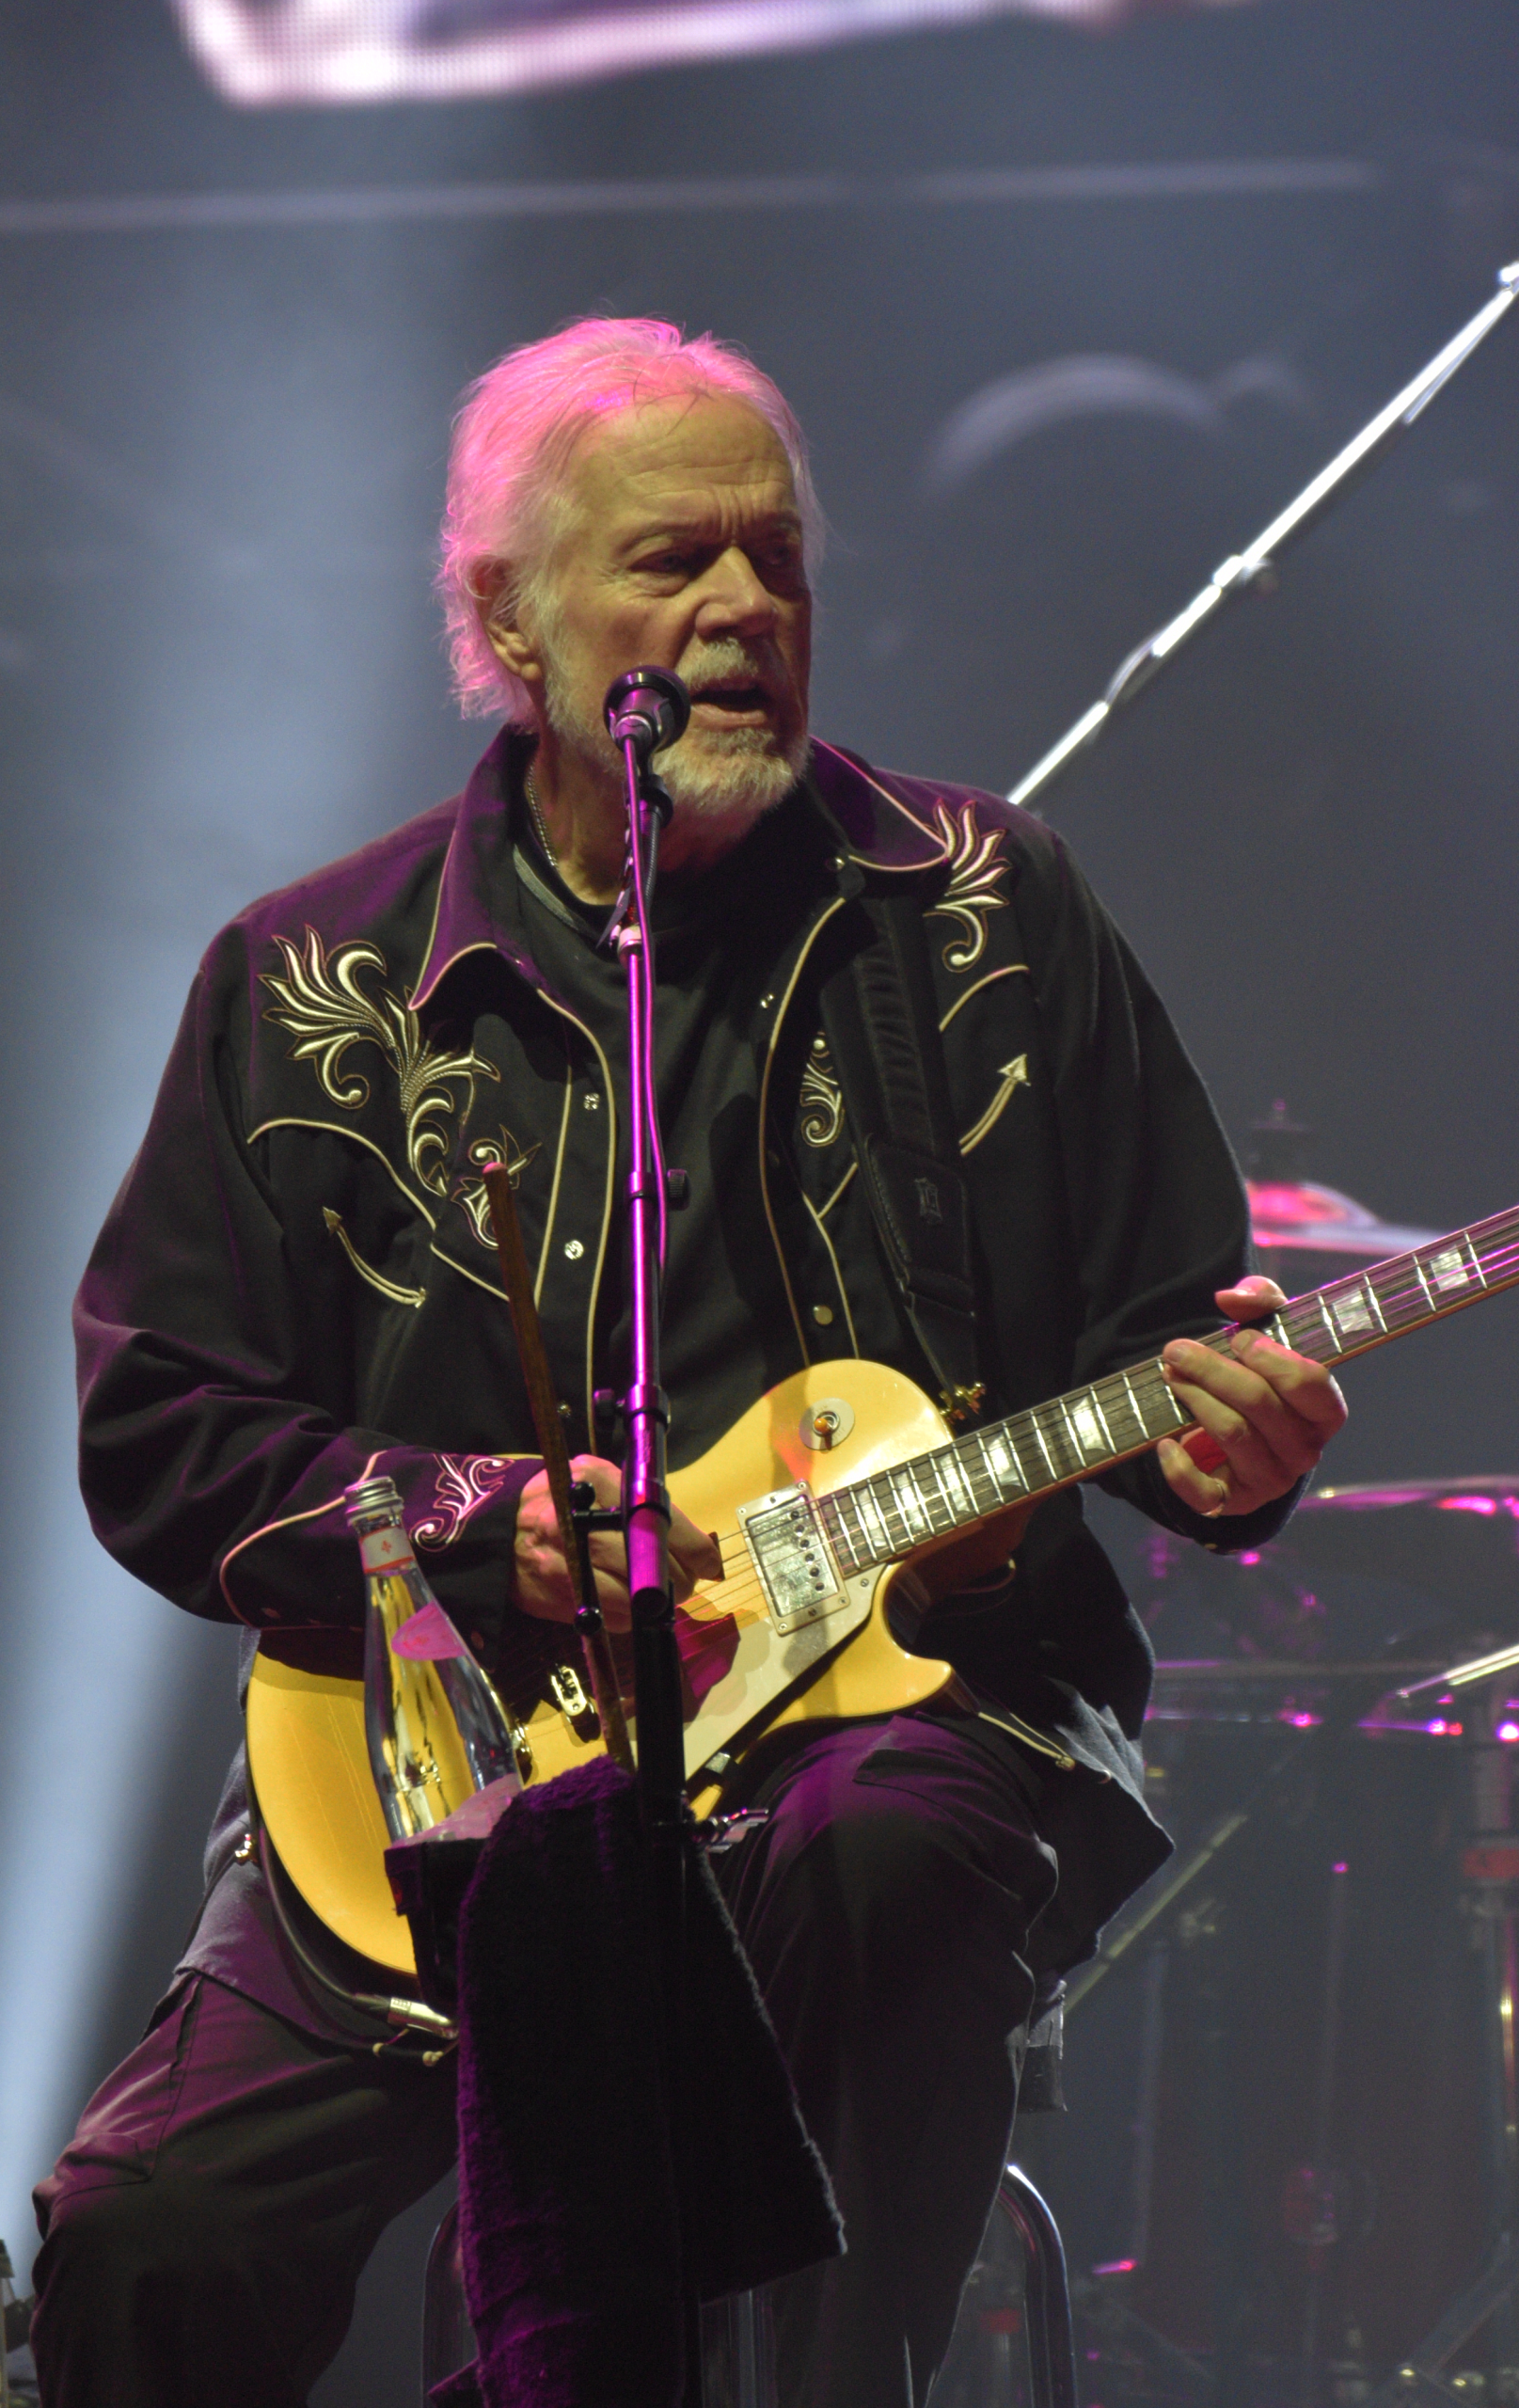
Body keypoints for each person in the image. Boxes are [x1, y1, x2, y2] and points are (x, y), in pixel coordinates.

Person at [31, 318, 1346, 2408]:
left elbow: (1174, 1350)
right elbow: (159, 1423)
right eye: (669, 563)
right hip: (443, 1779)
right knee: (146, 2228)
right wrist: (473, 1519)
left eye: (774, 561)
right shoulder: (307, 980)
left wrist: (1241, 1443)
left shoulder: (992, 909)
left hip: (901, 1735)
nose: (739, 609)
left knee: (883, 1858)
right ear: (507, 620)